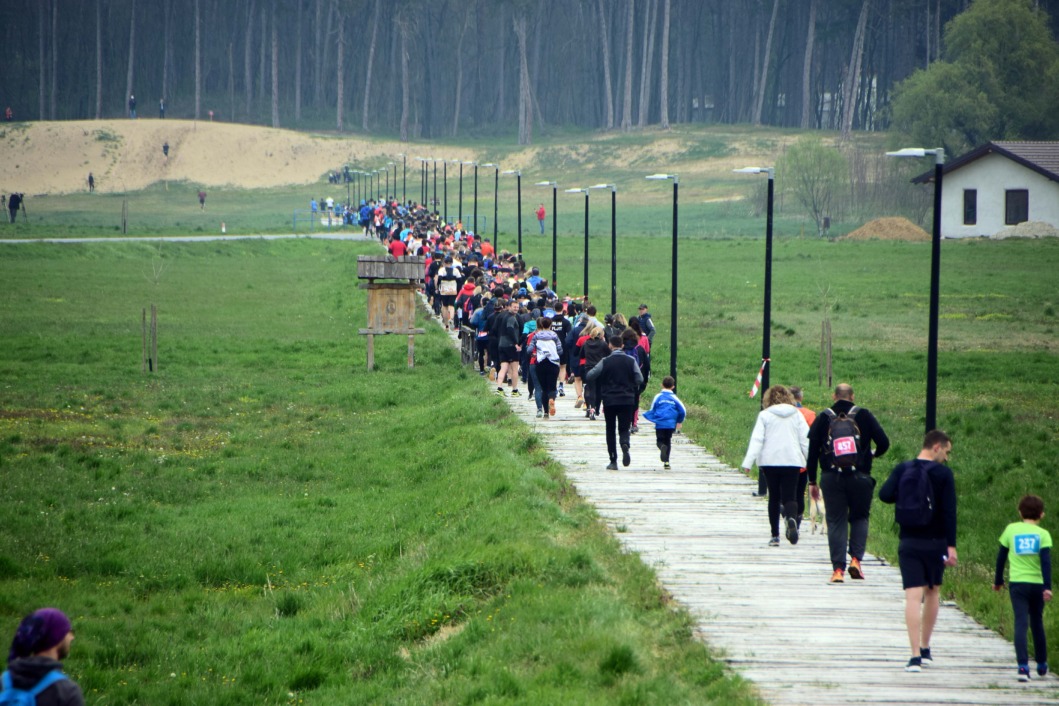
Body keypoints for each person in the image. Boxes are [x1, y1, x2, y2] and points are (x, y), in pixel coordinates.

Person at [878, 430, 957, 672]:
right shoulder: (943, 474)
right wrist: (951, 546)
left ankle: (913, 657)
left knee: (912, 596)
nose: (946, 457)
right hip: (935, 541)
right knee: (932, 593)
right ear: (936, 447)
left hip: (909, 540)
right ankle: (925, 647)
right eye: (946, 451)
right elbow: (949, 512)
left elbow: (884, 494)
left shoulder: (903, 468)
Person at [806, 382, 890, 583]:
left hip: (831, 477)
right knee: (860, 518)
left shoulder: (824, 417)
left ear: (834, 397)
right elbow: (884, 443)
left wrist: (812, 482)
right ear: (852, 397)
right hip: (860, 477)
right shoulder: (864, 415)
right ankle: (855, 561)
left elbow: (812, 453)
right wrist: (871, 454)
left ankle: (837, 570)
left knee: (836, 521)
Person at [742, 385, 811, 546]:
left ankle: (775, 535)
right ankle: (791, 518)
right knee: (790, 496)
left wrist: (748, 462)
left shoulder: (765, 415)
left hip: (770, 461)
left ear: (768, 399)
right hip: (793, 461)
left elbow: (757, 440)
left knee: (774, 497)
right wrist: (811, 460)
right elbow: (805, 440)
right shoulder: (797, 415)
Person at [993, 494, 1052, 681]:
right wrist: (1047, 587)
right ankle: (1042, 664)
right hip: (1037, 584)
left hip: (1018, 584)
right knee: (1037, 622)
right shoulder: (1043, 535)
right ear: (1042, 515)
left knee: (1020, 622)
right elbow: (1046, 563)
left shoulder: (1011, 530)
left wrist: (998, 581)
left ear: (1020, 512)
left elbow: (1001, 557)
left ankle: (1023, 667)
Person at [2, 607, 84, 705]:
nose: (72, 637)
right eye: (68, 632)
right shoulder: (66, 692)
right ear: (56, 638)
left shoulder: (3, 682)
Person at [585, 335, 643, 470]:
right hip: (627, 399)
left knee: (610, 429)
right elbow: (639, 378)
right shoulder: (631, 360)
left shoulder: (605, 361)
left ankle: (613, 460)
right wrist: (630, 385)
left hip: (609, 400)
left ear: (610, 346)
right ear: (622, 345)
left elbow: (590, 375)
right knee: (624, 427)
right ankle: (625, 443)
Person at [642, 376, 685, 470]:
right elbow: (683, 411)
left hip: (660, 423)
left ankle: (661, 447)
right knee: (668, 441)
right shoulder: (675, 398)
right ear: (673, 387)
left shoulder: (658, 397)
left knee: (659, 440)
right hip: (670, 424)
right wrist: (679, 421)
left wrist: (650, 417)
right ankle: (667, 462)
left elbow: (652, 409)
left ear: (661, 385)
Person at [789, 385, 816, 524]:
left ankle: (786, 513)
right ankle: (797, 520)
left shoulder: (783, 413)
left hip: (785, 460)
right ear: (801, 397)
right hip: (802, 461)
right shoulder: (810, 415)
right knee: (800, 492)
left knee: (786, 492)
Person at [530, 316, 563, 418]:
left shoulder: (536, 336)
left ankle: (545, 412)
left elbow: (529, 349)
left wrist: (535, 353)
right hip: (553, 364)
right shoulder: (554, 336)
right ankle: (551, 399)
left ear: (541, 325)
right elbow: (560, 350)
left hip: (541, 363)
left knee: (544, 389)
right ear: (550, 325)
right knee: (552, 387)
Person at [495, 299, 523, 398]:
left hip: (501, 344)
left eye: (517, 307)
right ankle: (514, 390)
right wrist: (516, 343)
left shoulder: (503, 316)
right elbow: (510, 329)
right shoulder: (511, 318)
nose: (516, 309)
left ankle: (499, 388)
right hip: (510, 346)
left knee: (503, 368)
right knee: (515, 369)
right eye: (514, 307)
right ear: (509, 307)